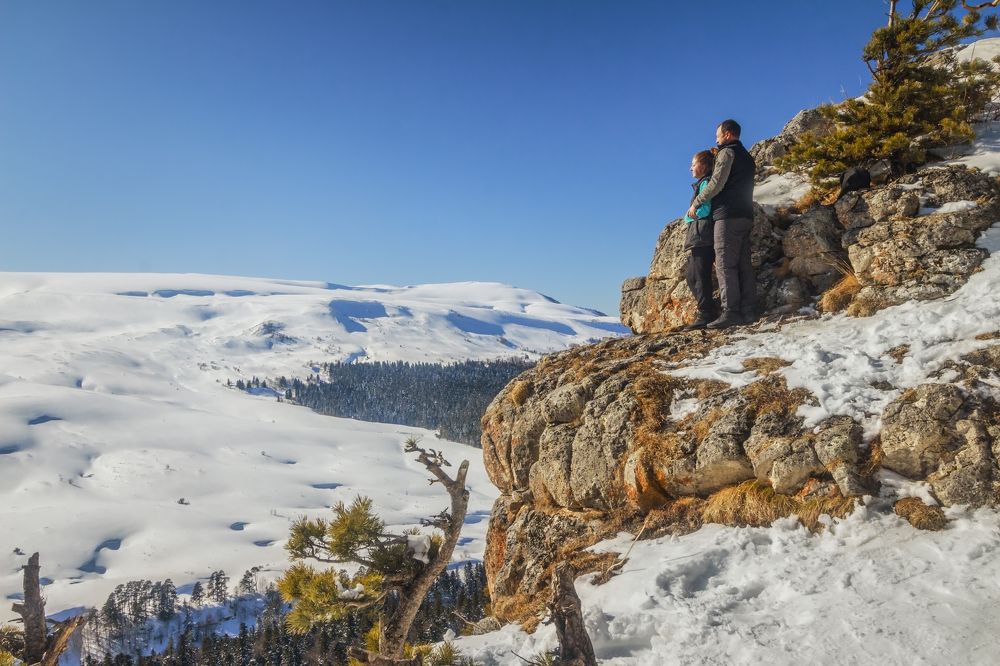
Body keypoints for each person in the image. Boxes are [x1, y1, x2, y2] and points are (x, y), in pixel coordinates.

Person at [686, 119, 757, 329]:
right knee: (744, 264)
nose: (716, 139)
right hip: (746, 214)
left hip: (727, 215)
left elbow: (717, 183)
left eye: (718, 135)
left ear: (727, 134)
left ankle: (730, 312)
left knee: (725, 264)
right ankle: (749, 309)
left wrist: (697, 202)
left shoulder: (727, 153)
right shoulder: (748, 157)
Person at [681, 149, 719, 330]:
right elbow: (689, 216)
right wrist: (689, 216)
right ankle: (708, 309)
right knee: (691, 276)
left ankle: (706, 313)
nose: (690, 168)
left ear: (703, 166)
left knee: (700, 276)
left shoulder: (706, 183)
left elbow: (704, 210)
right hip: (698, 236)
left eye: (693, 165)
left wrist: (690, 215)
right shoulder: (700, 184)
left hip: (703, 235)